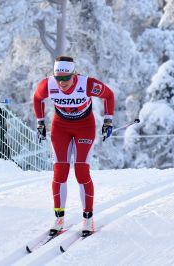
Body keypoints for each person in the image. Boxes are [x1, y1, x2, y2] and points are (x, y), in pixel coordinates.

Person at [33, 56, 114, 237]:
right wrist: (40, 123)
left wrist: (108, 121)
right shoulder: (49, 84)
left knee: (81, 171)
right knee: (59, 172)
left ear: (74, 74)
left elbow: (109, 95)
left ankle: (87, 219)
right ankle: (59, 218)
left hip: (84, 128)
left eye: (66, 78)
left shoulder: (86, 84)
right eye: (58, 78)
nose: (62, 83)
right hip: (60, 128)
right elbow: (37, 98)